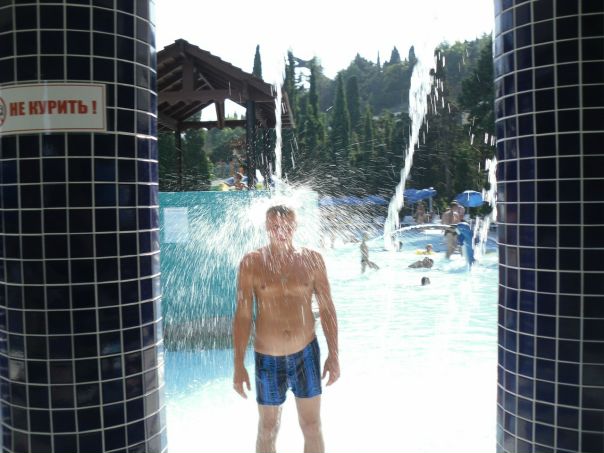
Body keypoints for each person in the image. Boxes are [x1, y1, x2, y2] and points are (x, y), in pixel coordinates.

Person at [232, 205, 340, 453]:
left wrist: (334, 355)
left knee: (312, 426)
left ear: (295, 227)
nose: (281, 231)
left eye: (287, 226)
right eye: (275, 226)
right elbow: (243, 316)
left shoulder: (312, 259)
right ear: (266, 227)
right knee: (268, 428)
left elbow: (327, 309)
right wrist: (238, 364)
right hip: (268, 358)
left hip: (306, 353)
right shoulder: (251, 262)